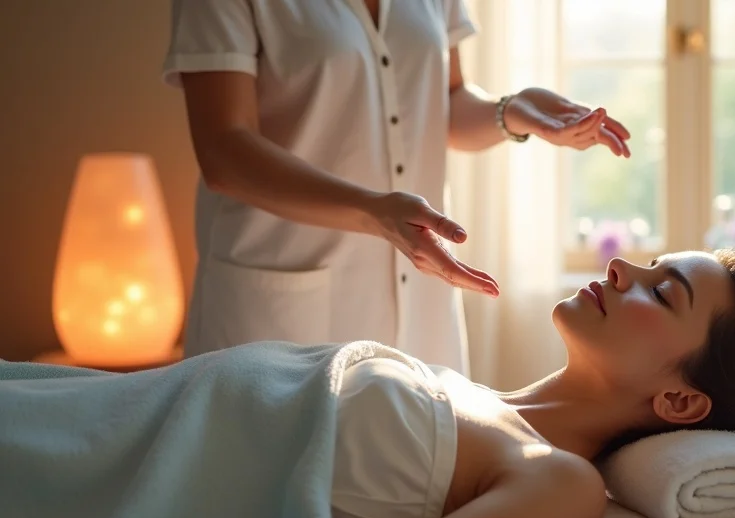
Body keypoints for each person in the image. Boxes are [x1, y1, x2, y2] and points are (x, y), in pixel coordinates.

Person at [0, 250, 735, 518]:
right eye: (640, 261)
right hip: (84, 417)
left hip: (83, 489)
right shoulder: (477, 393)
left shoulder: (555, 481)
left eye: (659, 290)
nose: (618, 270)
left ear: (680, 400)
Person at [161, 0, 632, 373]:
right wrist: (374, 211)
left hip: (419, 305)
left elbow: (444, 102)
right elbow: (225, 149)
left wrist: (511, 112)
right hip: (276, 315)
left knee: (419, 482)